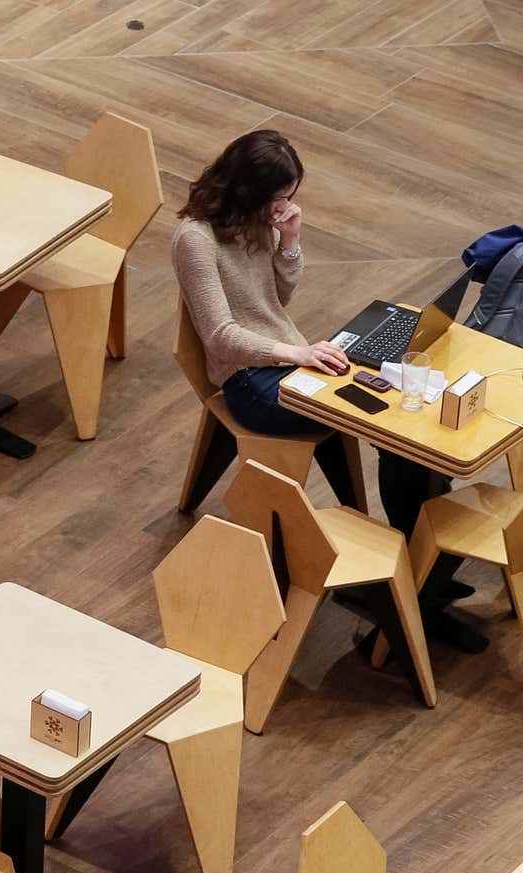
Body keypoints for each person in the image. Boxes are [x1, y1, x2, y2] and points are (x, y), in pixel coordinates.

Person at [172, 130, 470, 615]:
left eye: (289, 198)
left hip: (291, 358)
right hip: (249, 380)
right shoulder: (195, 239)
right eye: (278, 199)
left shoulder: (261, 225)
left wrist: (289, 242)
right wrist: (296, 354)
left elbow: (277, 299)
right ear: (247, 191)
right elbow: (220, 336)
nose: (284, 207)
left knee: (395, 410)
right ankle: (415, 569)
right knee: (383, 421)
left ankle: (422, 560)